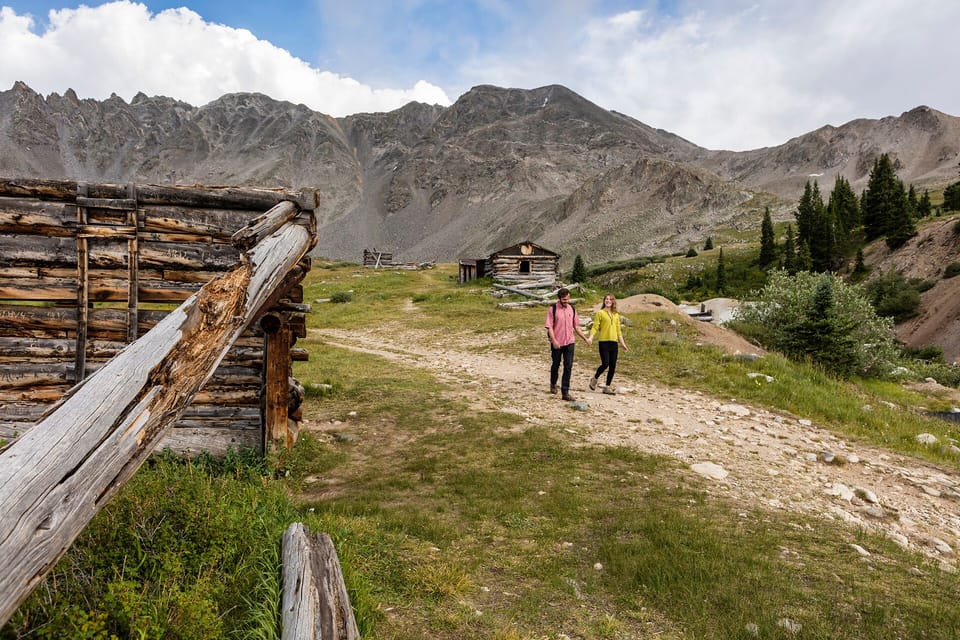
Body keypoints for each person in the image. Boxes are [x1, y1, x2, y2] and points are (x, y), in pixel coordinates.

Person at [545, 287, 590, 401]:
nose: (566, 301)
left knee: (568, 366)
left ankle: (565, 392)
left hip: (570, 342)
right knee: (556, 364)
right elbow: (549, 326)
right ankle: (553, 383)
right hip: (557, 342)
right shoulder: (553, 309)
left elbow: (577, 326)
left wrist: (585, 338)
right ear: (559, 298)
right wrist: (554, 341)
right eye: (564, 299)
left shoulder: (572, 309)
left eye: (568, 299)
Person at [589, 293, 628, 394]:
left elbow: (618, 331)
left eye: (610, 299)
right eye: (606, 299)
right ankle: (595, 378)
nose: (608, 301)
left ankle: (607, 387)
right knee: (605, 363)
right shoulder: (600, 313)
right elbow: (595, 327)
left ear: (613, 301)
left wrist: (622, 343)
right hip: (604, 342)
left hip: (614, 343)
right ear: (604, 301)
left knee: (613, 366)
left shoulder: (616, 315)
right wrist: (591, 337)